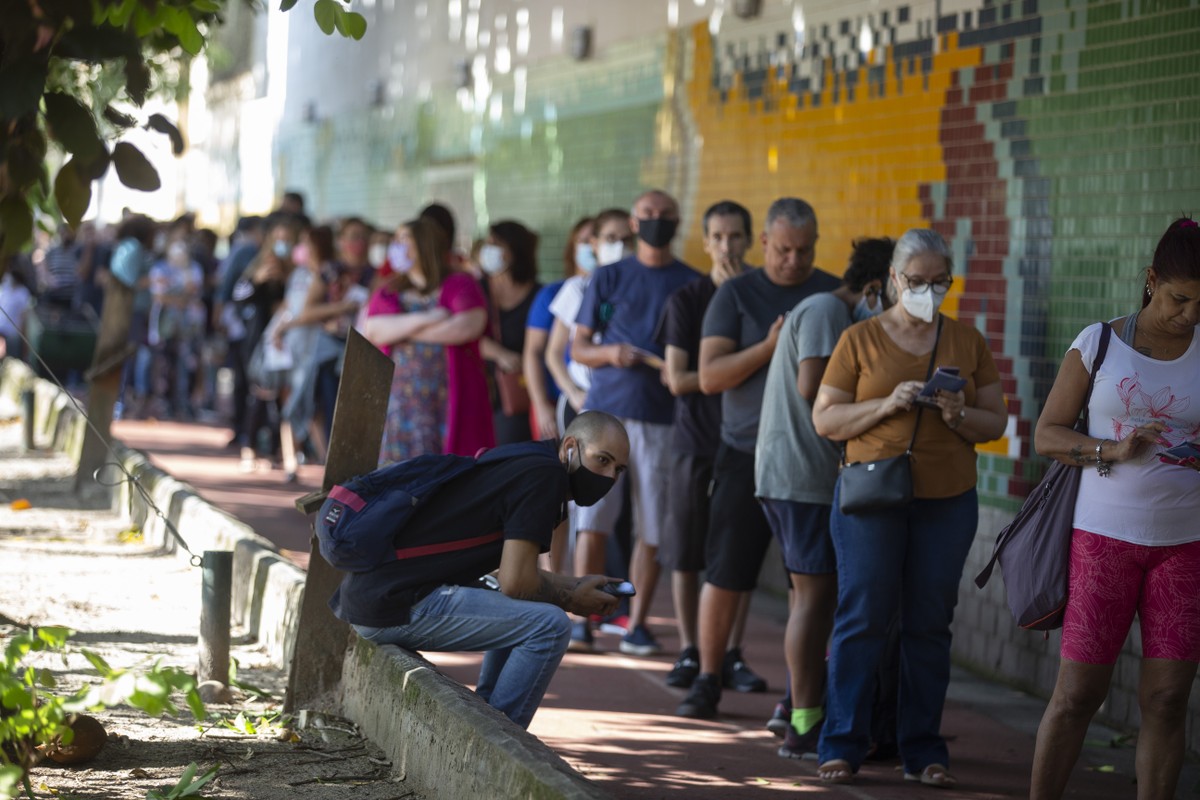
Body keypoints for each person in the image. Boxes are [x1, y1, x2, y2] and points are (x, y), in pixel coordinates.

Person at [810, 228, 1007, 786]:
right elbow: (825, 419)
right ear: (894, 278)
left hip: (946, 500)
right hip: (872, 494)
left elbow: (996, 422)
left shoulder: (967, 343)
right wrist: (883, 404)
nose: (926, 291)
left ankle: (922, 748)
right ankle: (841, 741)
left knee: (928, 624)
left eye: (938, 282)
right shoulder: (861, 340)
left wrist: (958, 413)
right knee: (862, 615)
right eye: (915, 281)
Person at [1029, 217, 1200, 800]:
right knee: (1077, 696)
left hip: (1186, 544)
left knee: (1168, 699)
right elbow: (1047, 435)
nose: (1191, 314)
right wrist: (1112, 448)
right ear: (1152, 281)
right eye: (1181, 298)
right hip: (1102, 540)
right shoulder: (1098, 342)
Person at [331, 411, 630, 729]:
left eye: (619, 469)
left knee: (534, 605)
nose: (609, 477)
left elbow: (511, 577)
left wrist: (575, 585)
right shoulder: (545, 477)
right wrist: (571, 599)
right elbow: (516, 582)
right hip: (394, 602)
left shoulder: (531, 458)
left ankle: (488, 711)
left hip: (376, 596)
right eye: (602, 460)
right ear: (571, 447)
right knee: (551, 626)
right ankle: (499, 742)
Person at [676, 197, 839, 719]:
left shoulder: (829, 292)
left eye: (805, 250)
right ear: (765, 242)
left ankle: (800, 696)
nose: (794, 259)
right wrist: (773, 346)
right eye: (784, 249)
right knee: (726, 571)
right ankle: (707, 676)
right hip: (744, 452)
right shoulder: (737, 294)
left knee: (807, 582)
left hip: (814, 459)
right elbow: (709, 377)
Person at [755, 236, 895, 757]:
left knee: (811, 598)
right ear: (877, 286)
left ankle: (794, 702)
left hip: (803, 477)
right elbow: (813, 385)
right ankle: (803, 722)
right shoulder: (824, 311)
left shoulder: (835, 313)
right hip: (801, 478)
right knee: (813, 599)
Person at [571, 189, 700, 656]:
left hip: (663, 420)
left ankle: (638, 623)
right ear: (632, 220)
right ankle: (581, 619)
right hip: (606, 416)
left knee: (653, 527)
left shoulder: (692, 283)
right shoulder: (607, 277)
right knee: (593, 518)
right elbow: (578, 346)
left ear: (677, 220)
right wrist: (610, 353)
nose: (656, 221)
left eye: (665, 214)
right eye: (647, 214)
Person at [655, 200, 762, 692]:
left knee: (735, 552)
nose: (726, 246)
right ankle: (689, 650)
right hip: (694, 439)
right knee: (687, 551)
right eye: (717, 237)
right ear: (704, 242)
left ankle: (732, 653)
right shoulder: (688, 299)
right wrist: (731, 369)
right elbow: (676, 379)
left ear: (750, 240)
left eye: (735, 237)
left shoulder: (761, 296)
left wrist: (725, 369)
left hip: (746, 442)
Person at [362, 218, 494, 460]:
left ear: (424, 243)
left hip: (449, 400)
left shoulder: (460, 283)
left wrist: (402, 332)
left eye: (404, 239)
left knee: (451, 472)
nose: (397, 246)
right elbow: (374, 330)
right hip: (400, 403)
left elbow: (467, 327)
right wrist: (431, 317)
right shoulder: (390, 290)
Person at [545, 208, 632, 433]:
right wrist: (574, 394)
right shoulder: (577, 288)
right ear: (595, 243)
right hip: (584, 402)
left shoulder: (642, 289)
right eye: (611, 238)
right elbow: (553, 353)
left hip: (629, 402)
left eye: (627, 239)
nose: (620, 246)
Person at [524, 217, 594, 441]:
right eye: (583, 240)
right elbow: (534, 352)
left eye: (595, 240)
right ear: (572, 247)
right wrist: (541, 405)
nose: (590, 247)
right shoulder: (553, 293)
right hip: (559, 401)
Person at [479, 220, 542, 444]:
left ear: (513, 251)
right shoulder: (476, 290)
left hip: (523, 394)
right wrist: (499, 354)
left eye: (495, 244)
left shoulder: (539, 295)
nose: (487, 250)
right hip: (480, 391)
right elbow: (464, 336)